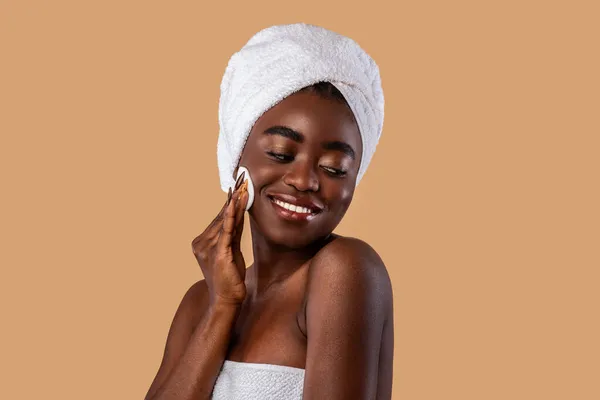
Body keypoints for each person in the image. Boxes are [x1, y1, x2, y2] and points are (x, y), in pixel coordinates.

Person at [145, 23, 393, 400]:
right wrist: (222, 308)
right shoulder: (201, 302)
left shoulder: (345, 270)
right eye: (280, 153)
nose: (304, 179)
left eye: (334, 167)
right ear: (236, 159)